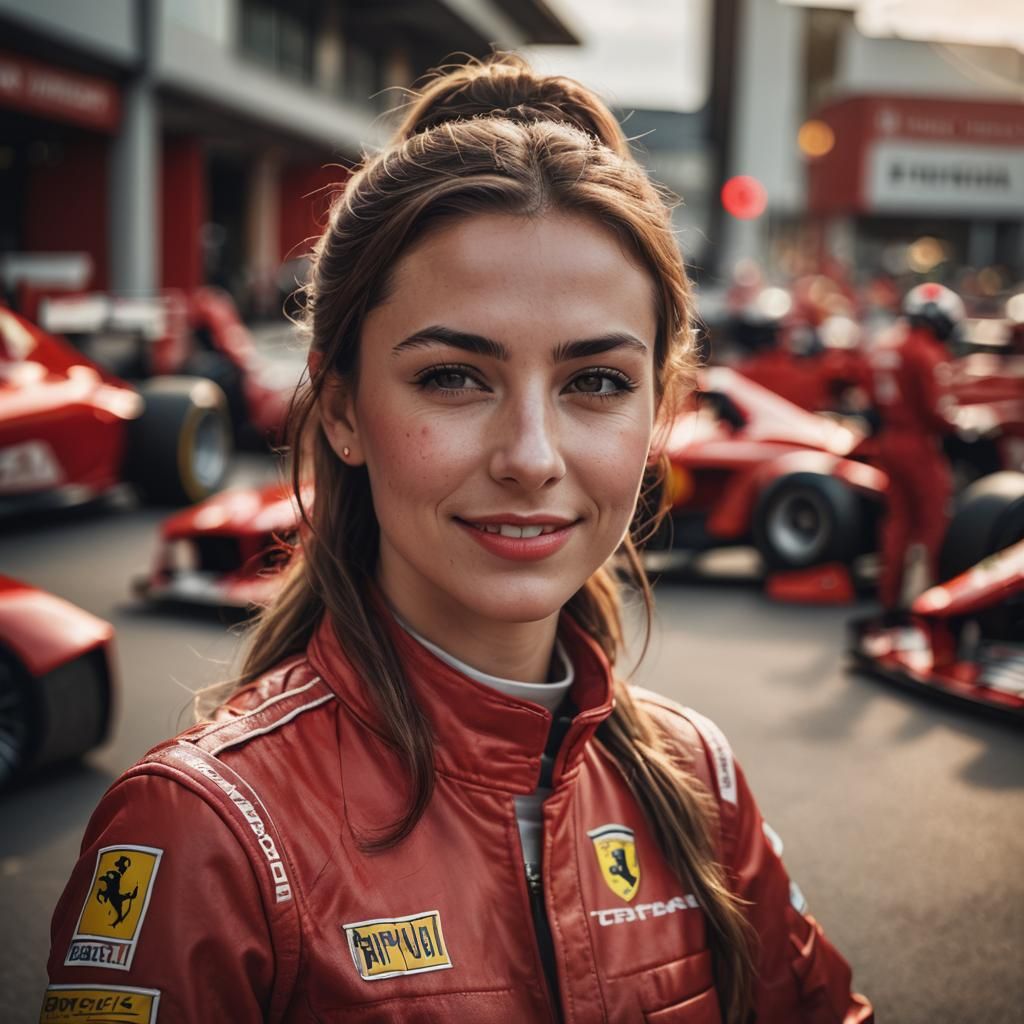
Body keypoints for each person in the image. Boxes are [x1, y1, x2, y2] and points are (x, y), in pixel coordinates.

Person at [42, 55, 872, 1024]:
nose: (530, 455)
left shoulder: (702, 778)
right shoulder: (204, 831)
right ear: (343, 406)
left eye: (595, 382)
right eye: (453, 377)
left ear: (662, 408)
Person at [867, 282, 962, 611]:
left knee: (897, 524)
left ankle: (889, 600)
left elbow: (871, 397)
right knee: (934, 522)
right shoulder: (926, 352)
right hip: (919, 443)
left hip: (890, 439)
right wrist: (964, 424)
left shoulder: (887, 344)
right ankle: (935, 603)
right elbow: (938, 412)